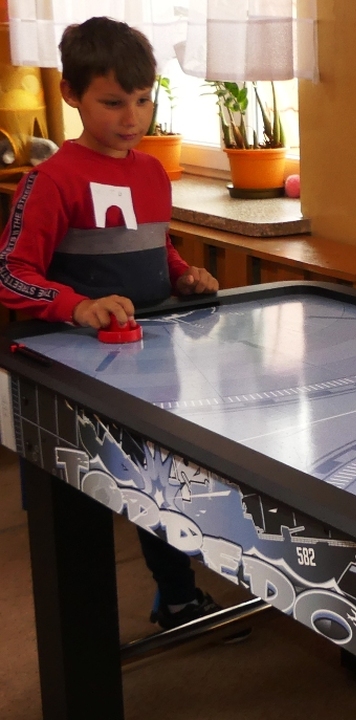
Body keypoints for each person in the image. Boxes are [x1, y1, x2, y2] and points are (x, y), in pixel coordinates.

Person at [0, 17, 228, 632]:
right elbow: (10, 272)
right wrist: (77, 305)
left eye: (143, 100)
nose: (133, 117)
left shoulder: (152, 172)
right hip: (72, 373)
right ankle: (76, 640)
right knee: (75, 501)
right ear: (71, 95)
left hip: (152, 365)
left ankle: (177, 597)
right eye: (113, 102)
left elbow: (156, 246)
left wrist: (183, 274)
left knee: (161, 486)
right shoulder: (49, 180)